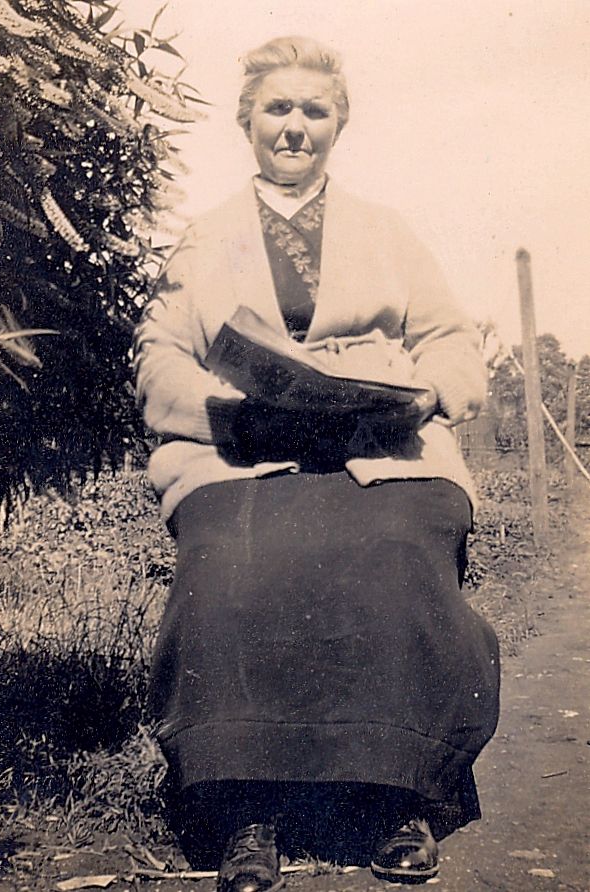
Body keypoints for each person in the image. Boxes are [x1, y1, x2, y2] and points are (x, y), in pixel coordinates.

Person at [134, 36, 500, 890]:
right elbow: (159, 357)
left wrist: (423, 396)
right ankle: (245, 810)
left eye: (314, 110)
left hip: (382, 448)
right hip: (245, 449)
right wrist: (233, 415)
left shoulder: (387, 231)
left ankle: (397, 797)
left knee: (395, 551)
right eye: (277, 108)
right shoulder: (204, 238)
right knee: (230, 562)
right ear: (246, 121)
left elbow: (451, 342)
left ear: (339, 124)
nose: (294, 127)